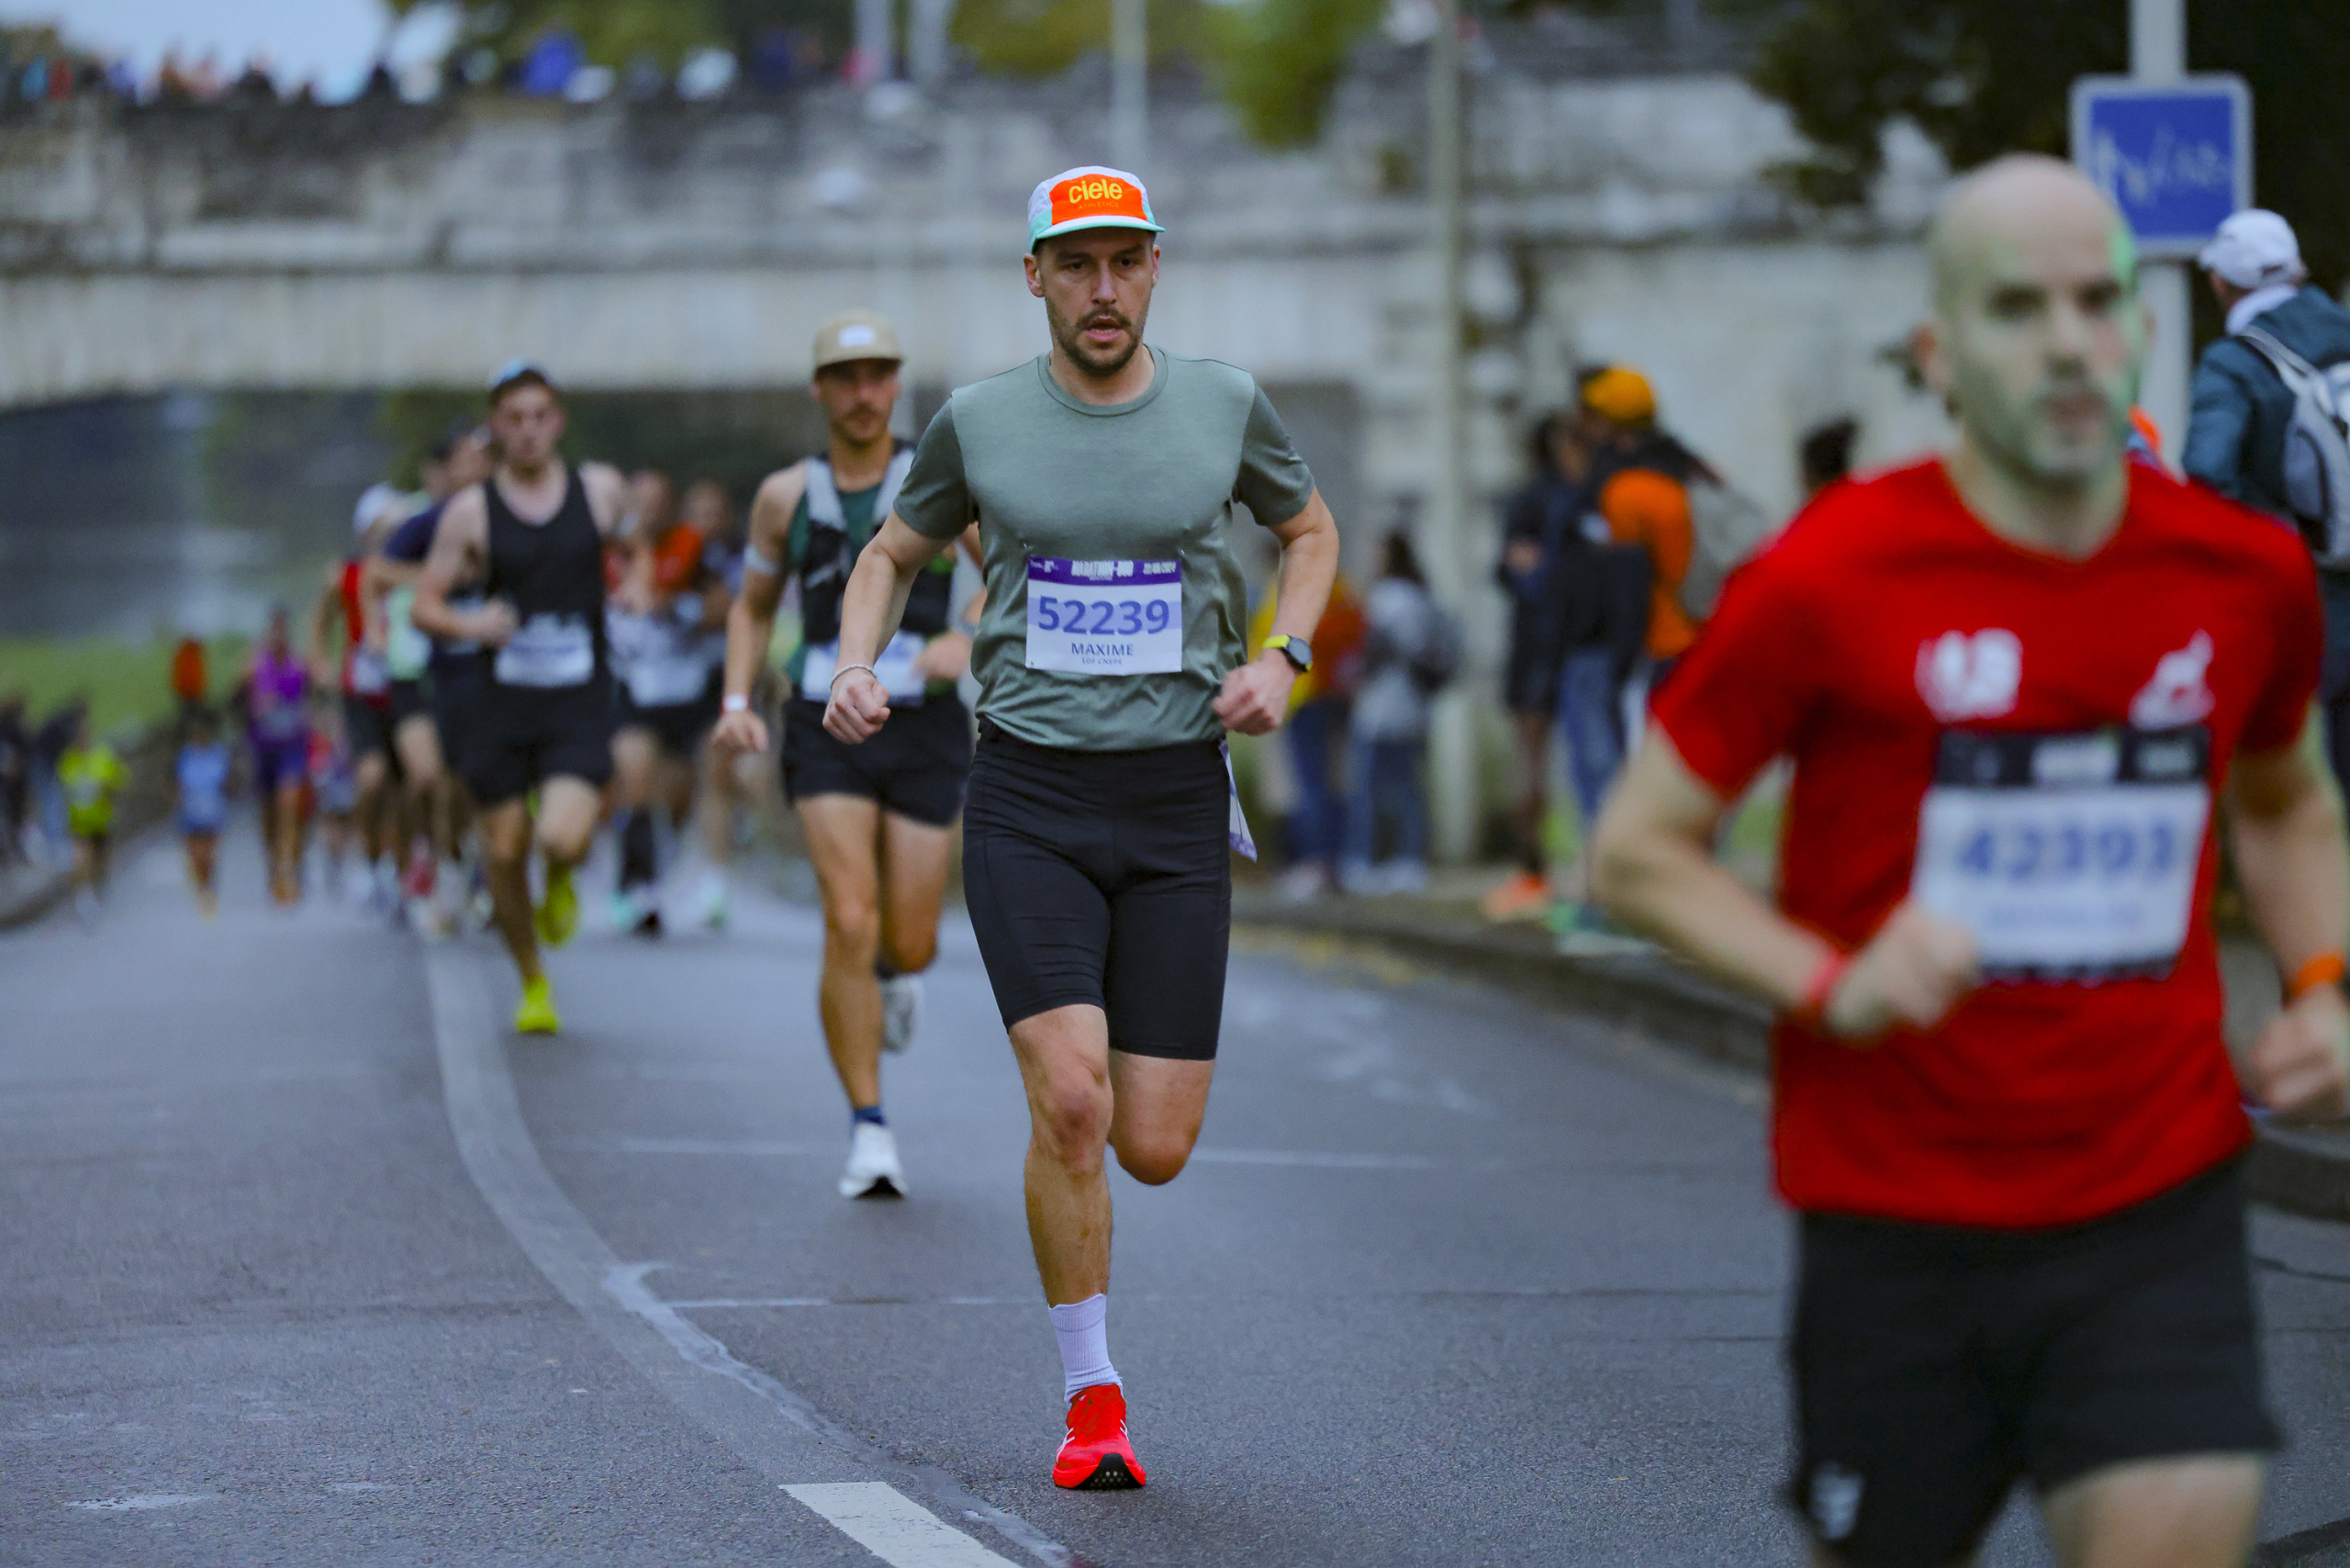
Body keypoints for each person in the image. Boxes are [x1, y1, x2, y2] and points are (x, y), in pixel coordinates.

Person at [1591, 154, 2350, 1568]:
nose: (2066, 341)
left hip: (2157, 1197)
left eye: (2096, 302)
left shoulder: (2243, 577)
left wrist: (2322, 981)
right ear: (1939, 353)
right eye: (2015, 307)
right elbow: (1637, 853)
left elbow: (2288, 798)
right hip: (1897, 1218)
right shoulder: (1832, 572)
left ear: (2140, 328)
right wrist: (1834, 984)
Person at [822, 167, 1340, 1490]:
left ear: (1154, 268)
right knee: (1070, 1100)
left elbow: (1309, 530)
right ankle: (1091, 1398)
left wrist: (1282, 655)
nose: (1101, 289)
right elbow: (888, 555)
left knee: (1151, 1145)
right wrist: (854, 663)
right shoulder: (981, 420)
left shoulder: (1223, 404)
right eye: (1075, 264)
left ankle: (1100, 1141)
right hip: (1030, 798)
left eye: (1123, 262)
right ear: (1036, 278)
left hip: (1175, 801)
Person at [716, 311, 980, 1198]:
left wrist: (966, 637)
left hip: (924, 724)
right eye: (846, 378)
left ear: (896, 384)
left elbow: (1012, 577)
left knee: (910, 939)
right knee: (850, 918)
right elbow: (754, 607)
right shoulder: (785, 497)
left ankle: (895, 977)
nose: (864, 394)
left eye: (878, 377)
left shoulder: (939, 478)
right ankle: (869, 1126)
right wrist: (736, 703)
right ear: (819, 390)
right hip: (825, 720)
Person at [413, 363, 628, 1036]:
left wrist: (637, 585)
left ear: (558, 422)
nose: (529, 430)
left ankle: (560, 872)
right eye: (515, 419)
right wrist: (472, 624)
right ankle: (533, 981)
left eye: (540, 417)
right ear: (496, 429)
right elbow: (424, 604)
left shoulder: (600, 491)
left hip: (577, 697)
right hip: (501, 702)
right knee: (504, 851)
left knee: (559, 835)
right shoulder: (471, 512)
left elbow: (635, 546)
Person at [2182, 207, 2350, 807]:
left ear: (2221, 283)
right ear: (2296, 270)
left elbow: (2208, 474)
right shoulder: (2345, 330)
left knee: (2306, 790)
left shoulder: (2233, 363)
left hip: (2304, 601)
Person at [375, 425, 498, 931]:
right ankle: (443, 869)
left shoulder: (514, 516)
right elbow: (378, 572)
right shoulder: (432, 522)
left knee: (481, 784)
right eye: (466, 458)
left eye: (484, 457)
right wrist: (435, 576)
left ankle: (484, 869)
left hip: (499, 675)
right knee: (436, 780)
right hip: (441, 674)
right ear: (449, 468)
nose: (476, 467)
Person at [606, 468, 731, 935]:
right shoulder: (607, 551)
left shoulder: (694, 546)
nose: (648, 511)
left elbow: (724, 607)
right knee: (635, 777)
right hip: (634, 686)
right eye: (639, 501)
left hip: (685, 688)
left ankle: (661, 863)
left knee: (678, 796)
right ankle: (636, 884)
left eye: (657, 502)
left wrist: (674, 608)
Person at [1485, 412, 1587, 920]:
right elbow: (1509, 569)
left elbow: (1507, 569)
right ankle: (1545, 869)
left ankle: (1537, 870)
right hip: (1558, 644)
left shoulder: (1538, 499)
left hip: (1543, 647)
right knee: (1551, 764)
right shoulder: (1562, 498)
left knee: (1536, 763)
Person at [310, 484, 411, 913]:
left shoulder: (413, 571)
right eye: (378, 530)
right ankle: (369, 860)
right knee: (371, 779)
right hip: (361, 694)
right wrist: (322, 666)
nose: (386, 537)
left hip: (407, 689)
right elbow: (320, 626)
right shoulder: (345, 575)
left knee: (406, 791)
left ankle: (402, 870)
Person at [1340, 531, 1438, 894]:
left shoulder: (1386, 599)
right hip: (1412, 709)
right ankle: (1408, 859)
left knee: (1369, 791)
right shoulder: (1419, 597)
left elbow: (1372, 652)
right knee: (1407, 790)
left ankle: (1366, 859)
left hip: (1379, 710)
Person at [245, 607, 311, 904]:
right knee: (269, 813)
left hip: (292, 747)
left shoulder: (298, 664)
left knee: (290, 805)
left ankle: (289, 869)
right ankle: (273, 865)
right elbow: (238, 694)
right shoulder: (256, 664)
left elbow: (315, 689)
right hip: (264, 749)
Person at [56, 710, 128, 923]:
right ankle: (83, 898)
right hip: (79, 823)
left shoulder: (103, 756)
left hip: (101, 822)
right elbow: (64, 786)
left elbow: (119, 783)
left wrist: (107, 787)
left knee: (100, 863)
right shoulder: (68, 760)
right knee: (82, 861)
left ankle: (96, 887)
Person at [173, 706, 231, 919]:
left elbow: (226, 782)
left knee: (208, 855)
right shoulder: (184, 756)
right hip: (190, 813)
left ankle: (208, 887)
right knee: (195, 856)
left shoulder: (218, 754)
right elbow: (176, 783)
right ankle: (202, 888)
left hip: (212, 812)